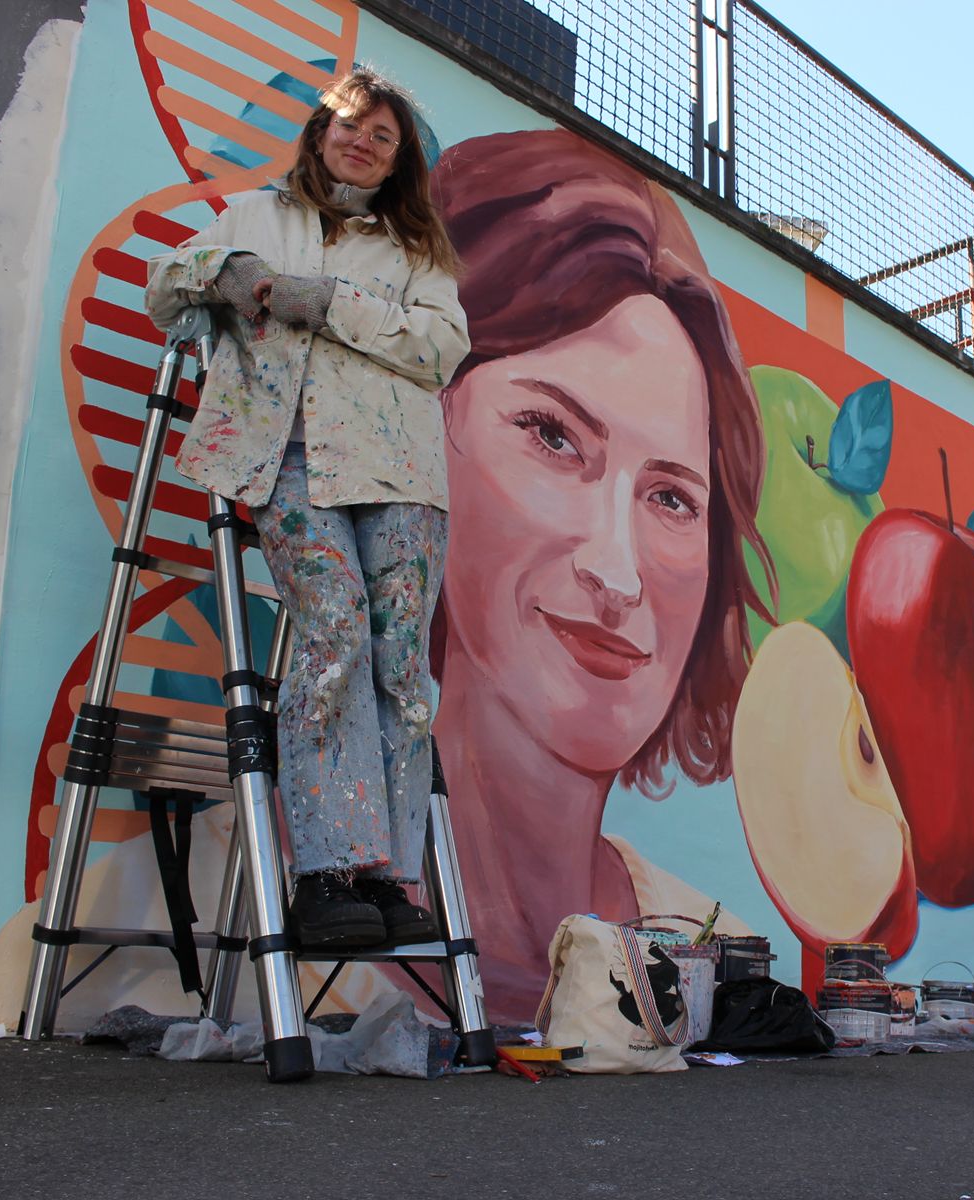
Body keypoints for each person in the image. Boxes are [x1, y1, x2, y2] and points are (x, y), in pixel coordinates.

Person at [426, 130, 776, 1019]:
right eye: (552, 436)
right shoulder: (202, 925)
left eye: (671, 498)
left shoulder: (711, 947)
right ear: (432, 430)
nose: (616, 572)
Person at [143, 68, 469, 948]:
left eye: (382, 135)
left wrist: (328, 303)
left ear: (400, 159)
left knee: (400, 665)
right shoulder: (254, 216)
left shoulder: (416, 249)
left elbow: (441, 348)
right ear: (320, 131)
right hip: (285, 459)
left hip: (400, 472)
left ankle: (390, 875)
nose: (360, 140)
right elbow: (165, 288)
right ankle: (327, 871)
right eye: (349, 124)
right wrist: (234, 271)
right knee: (332, 634)